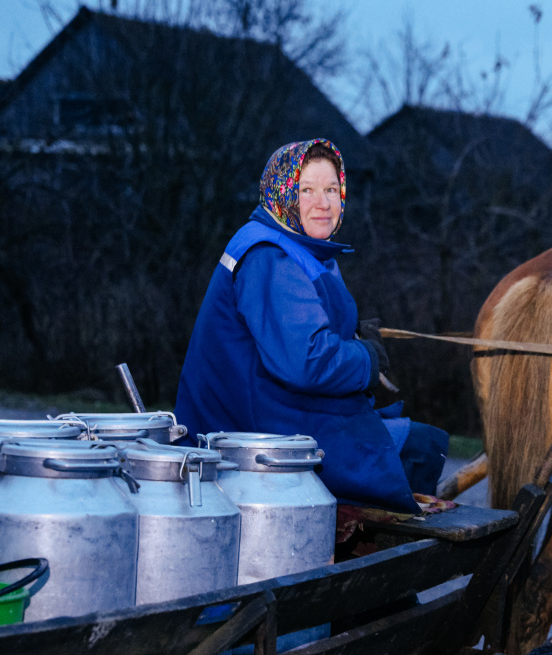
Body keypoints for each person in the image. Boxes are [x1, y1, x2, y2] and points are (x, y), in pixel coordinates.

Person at [175, 139, 448, 512]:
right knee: (419, 447)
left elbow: (297, 330)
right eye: (306, 190)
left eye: (332, 190)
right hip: (252, 435)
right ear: (282, 192)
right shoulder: (271, 257)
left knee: (406, 436)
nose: (323, 203)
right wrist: (367, 359)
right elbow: (307, 361)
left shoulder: (293, 244)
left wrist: (350, 336)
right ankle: (378, 558)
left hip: (269, 413)